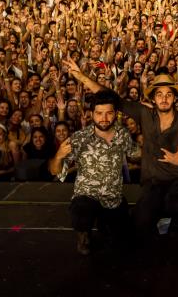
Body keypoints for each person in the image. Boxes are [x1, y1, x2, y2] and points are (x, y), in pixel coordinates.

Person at [64, 59, 178, 239]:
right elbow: (112, 98)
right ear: (153, 98)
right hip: (153, 182)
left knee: (176, 208)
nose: (164, 99)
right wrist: (80, 76)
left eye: (168, 95)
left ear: (175, 98)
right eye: (159, 94)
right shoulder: (144, 113)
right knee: (139, 224)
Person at [49, 90, 135, 255]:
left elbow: (135, 153)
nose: (104, 118)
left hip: (112, 198)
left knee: (119, 242)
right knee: (81, 211)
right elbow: (55, 171)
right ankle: (83, 235)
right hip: (86, 196)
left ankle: (106, 224)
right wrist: (59, 155)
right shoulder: (79, 138)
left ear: (116, 114)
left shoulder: (123, 134)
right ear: (92, 114)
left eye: (109, 113)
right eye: (99, 113)